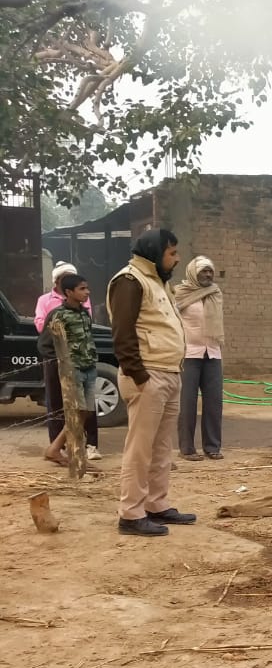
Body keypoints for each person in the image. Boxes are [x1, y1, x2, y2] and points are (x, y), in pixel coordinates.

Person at [108, 228, 196, 537]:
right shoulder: (129, 281)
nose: (177, 258)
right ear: (155, 254)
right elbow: (122, 333)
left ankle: (157, 504)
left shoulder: (158, 282)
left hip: (169, 372)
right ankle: (131, 514)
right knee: (140, 448)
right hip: (149, 376)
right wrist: (140, 376)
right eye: (172, 253)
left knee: (161, 447)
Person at [34, 262, 99, 458]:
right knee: (75, 411)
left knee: (86, 411)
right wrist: (64, 363)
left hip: (88, 368)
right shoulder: (58, 315)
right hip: (73, 371)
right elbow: (44, 345)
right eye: (82, 289)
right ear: (69, 292)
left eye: (87, 288)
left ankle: (59, 449)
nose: (87, 292)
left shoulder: (84, 314)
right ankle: (65, 451)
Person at [173, 255, 225, 461]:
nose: (208, 275)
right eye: (204, 271)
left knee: (214, 402)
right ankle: (187, 448)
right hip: (188, 354)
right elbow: (173, 321)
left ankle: (212, 447)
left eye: (210, 271)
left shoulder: (215, 293)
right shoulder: (180, 293)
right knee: (187, 403)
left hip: (212, 353)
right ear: (193, 273)